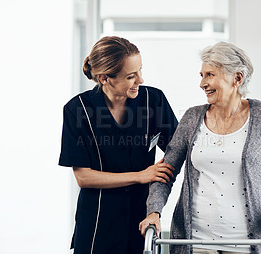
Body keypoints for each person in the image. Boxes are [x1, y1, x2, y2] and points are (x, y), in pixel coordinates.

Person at [139, 41, 261, 254]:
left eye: (210, 75)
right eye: (201, 75)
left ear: (237, 78)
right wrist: (154, 211)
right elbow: (166, 172)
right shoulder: (192, 117)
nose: (202, 83)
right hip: (194, 243)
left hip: (246, 245)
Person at [58, 36, 178, 254]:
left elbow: (178, 150)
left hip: (142, 222)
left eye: (140, 70)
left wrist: (156, 209)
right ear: (105, 78)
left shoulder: (154, 100)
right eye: (131, 76)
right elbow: (84, 177)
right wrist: (140, 175)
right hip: (97, 225)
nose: (140, 80)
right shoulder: (78, 110)